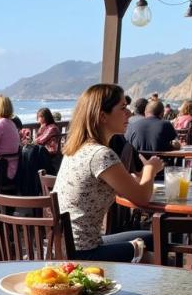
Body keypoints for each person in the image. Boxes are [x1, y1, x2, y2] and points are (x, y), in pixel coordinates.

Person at [55, 83, 164, 263]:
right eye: (122, 108)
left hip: (66, 246)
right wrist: (150, 169)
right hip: (83, 254)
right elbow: (142, 198)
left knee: (150, 238)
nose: (128, 113)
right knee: (147, 253)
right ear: (103, 116)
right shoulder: (101, 155)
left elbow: (122, 189)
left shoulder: (76, 149)